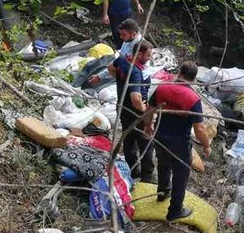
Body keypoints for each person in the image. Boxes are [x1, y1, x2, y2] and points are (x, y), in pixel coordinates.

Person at [146, 61, 211, 220]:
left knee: (163, 164)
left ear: (179, 72)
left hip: (160, 138)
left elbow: (149, 110)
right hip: (180, 144)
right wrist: (206, 145)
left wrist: (148, 126)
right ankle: (175, 211)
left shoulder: (162, 88)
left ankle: (162, 193)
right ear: (194, 78)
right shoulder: (193, 98)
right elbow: (200, 129)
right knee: (180, 176)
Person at [116, 40, 155, 182]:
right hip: (136, 114)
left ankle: (133, 171)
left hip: (123, 108)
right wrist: (145, 110)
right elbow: (135, 98)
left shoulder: (122, 60)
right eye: (148, 55)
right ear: (139, 54)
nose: (150, 58)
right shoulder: (136, 72)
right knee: (146, 144)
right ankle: (147, 178)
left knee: (129, 140)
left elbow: (110, 68)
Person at [87, 18, 143, 87]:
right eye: (120, 34)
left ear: (134, 34)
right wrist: (99, 76)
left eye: (123, 35)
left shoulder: (139, 48)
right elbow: (119, 58)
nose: (121, 37)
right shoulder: (128, 41)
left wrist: (100, 77)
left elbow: (119, 65)